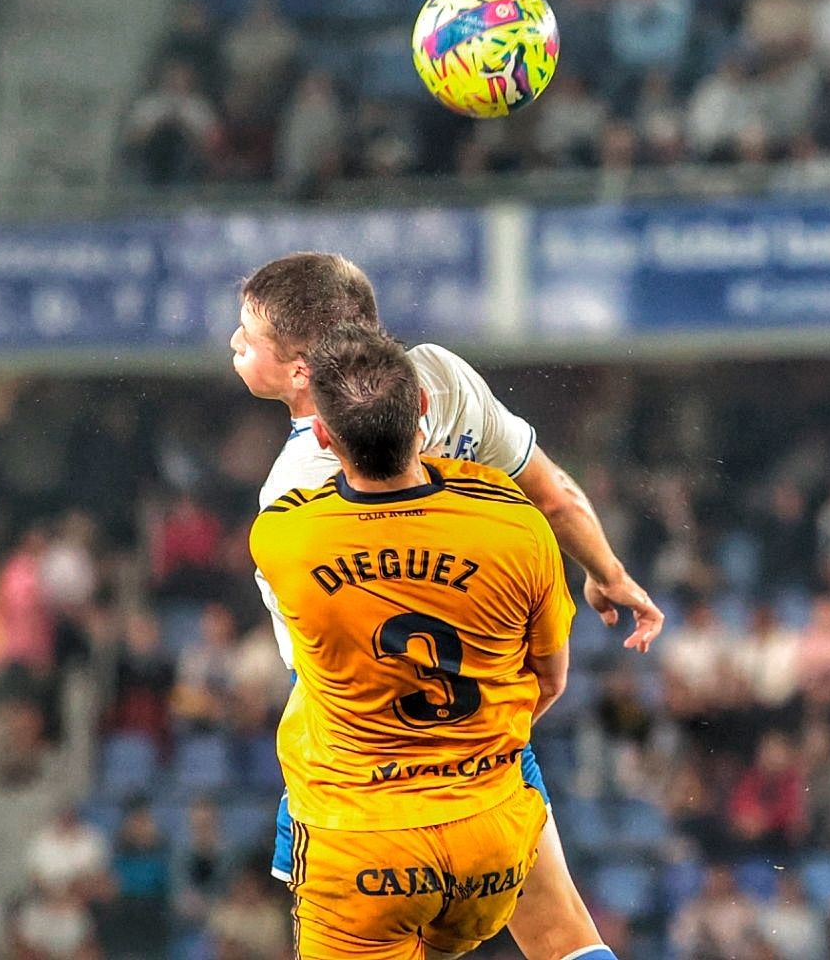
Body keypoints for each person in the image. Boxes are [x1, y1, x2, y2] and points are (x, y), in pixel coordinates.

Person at [232, 252, 660, 960]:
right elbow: (554, 497)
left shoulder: (289, 506)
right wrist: (608, 572)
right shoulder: (443, 382)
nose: (234, 346)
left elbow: (326, 669)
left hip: (365, 784)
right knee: (563, 935)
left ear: (304, 373)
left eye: (247, 338)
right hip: (484, 746)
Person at [249, 325, 574, 958]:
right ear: (423, 409)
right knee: (563, 936)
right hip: (488, 839)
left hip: (365, 844)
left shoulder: (284, 537)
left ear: (321, 435)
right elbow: (552, 679)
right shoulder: (519, 528)